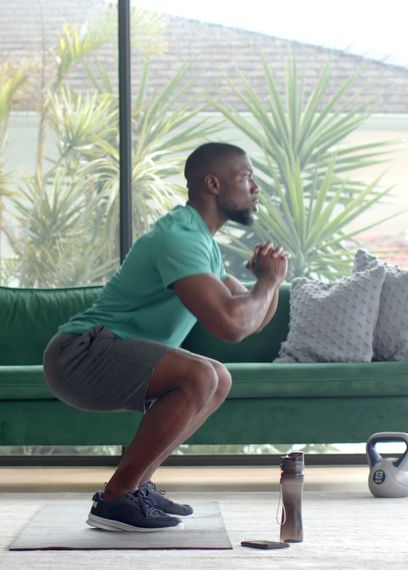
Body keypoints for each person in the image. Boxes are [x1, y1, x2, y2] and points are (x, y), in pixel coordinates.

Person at [42, 142, 288, 532]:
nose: (256, 188)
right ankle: (115, 497)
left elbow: (251, 319)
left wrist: (268, 284)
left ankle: (135, 486)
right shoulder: (180, 238)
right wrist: (269, 282)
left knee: (218, 378)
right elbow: (230, 324)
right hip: (80, 354)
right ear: (213, 184)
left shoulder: (201, 240)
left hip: (100, 351)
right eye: (246, 177)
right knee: (200, 375)